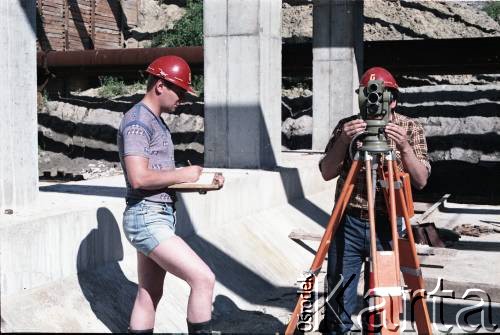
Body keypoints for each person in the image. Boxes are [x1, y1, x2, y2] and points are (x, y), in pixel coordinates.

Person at [318, 67, 431, 334]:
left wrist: (403, 148)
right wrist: (345, 140)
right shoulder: (348, 127)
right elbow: (326, 172)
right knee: (338, 298)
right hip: (349, 222)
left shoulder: (409, 128)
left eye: (384, 95)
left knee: (383, 303)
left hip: (389, 225)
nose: (376, 101)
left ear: (394, 99)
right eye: (368, 94)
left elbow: (421, 180)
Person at [117, 55, 223, 334]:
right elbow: (139, 177)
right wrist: (182, 174)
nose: (183, 98)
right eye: (180, 90)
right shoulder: (139, 123)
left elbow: (156, 176)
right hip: (146, 216)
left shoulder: (154, 120)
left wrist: (200, 181)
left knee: (149, 293)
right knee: (203, 279)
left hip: (155, 214)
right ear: (160, 85)